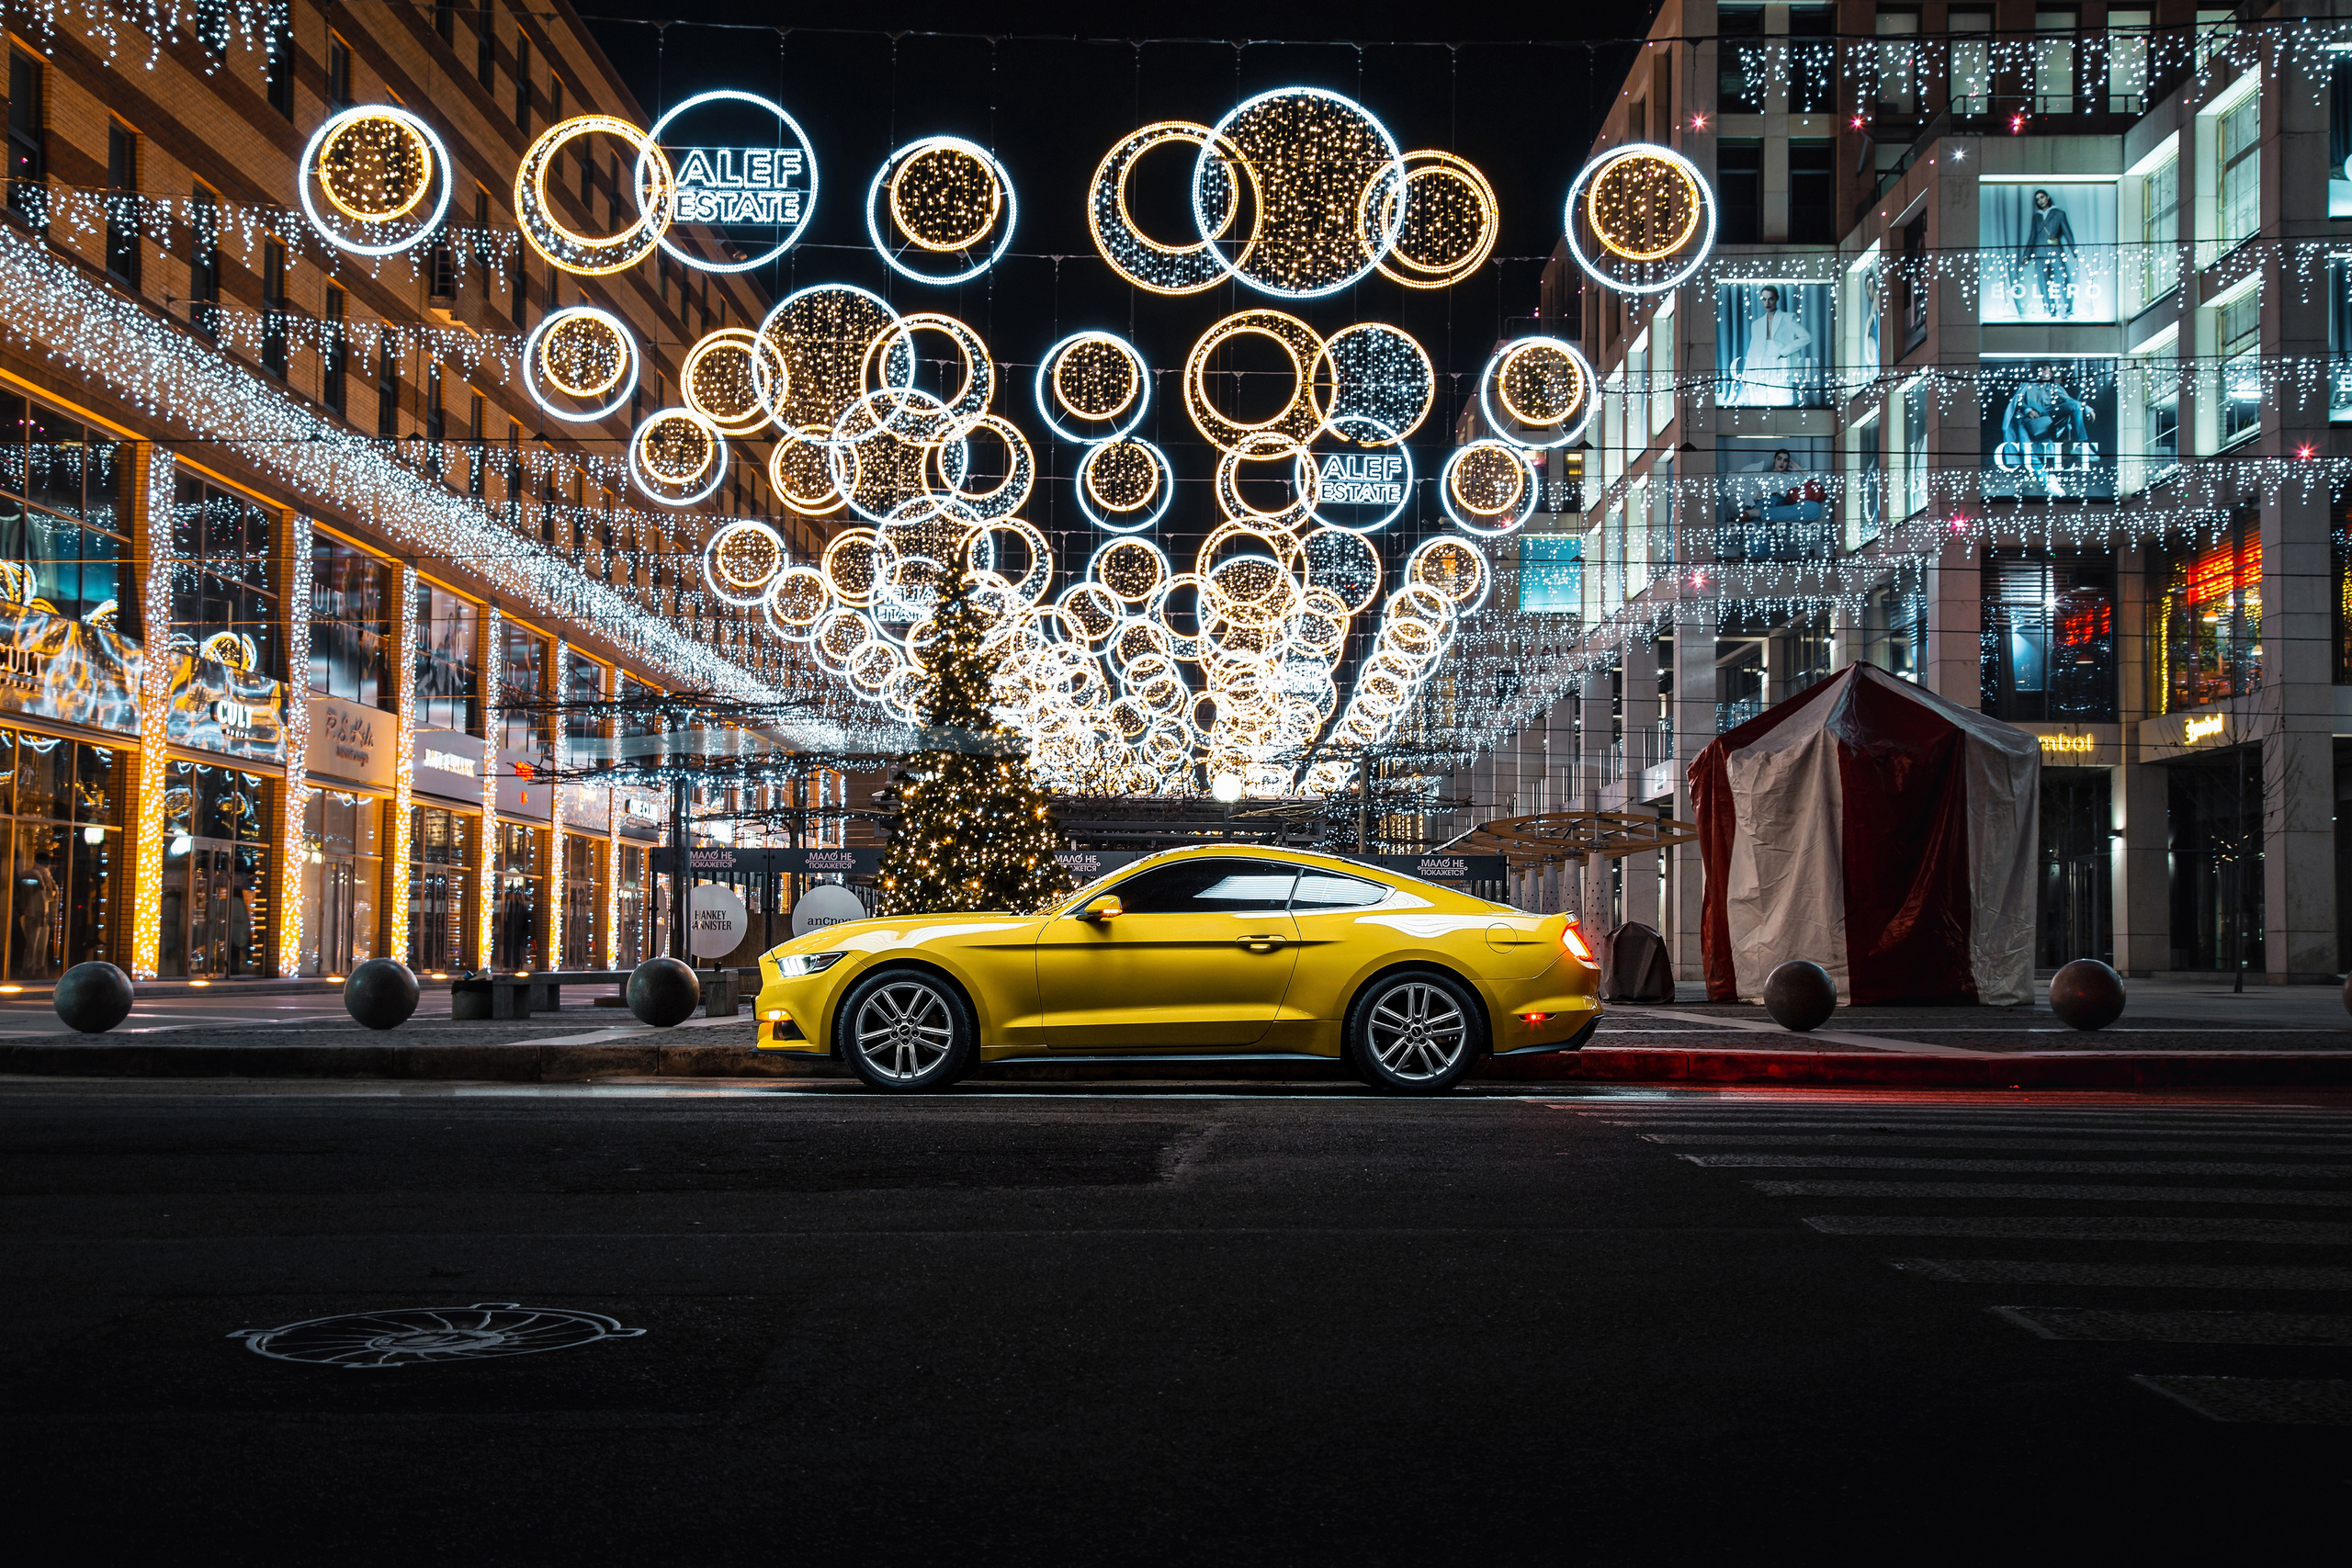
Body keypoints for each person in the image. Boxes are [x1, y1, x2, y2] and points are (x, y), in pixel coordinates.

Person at [2000, 363, 2093, 494]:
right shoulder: (2028, 384)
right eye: (2044, 369)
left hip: (2046, 416)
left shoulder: (2054, 386)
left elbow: (2070, 401)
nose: (2046, 372)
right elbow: (2018, 400)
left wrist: (2087, 408)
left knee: (2076, 406)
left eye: (2049, 371)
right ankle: (2046, 479)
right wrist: (2027, 410)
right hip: (2025, 419)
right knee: (2025, 448)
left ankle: (2081, 443)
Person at [1733, 285, 1814, 405]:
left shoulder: (1787, 318)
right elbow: (1752, 350)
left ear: (1777, 298)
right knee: (1759, 395)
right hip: (1760, 361)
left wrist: (1784, 352)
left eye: (1770, 299)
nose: (1767, 302)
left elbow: (1806, 337)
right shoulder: (1756, 324)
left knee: (1780, 394)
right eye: (1764, 299)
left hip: (1778, 360)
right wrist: (1745, 375)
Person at [2021, 187, 2077, 319]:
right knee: (2043, 282)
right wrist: (2026, 255)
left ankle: (2066, 311)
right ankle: (2048, 310)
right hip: (2039, 252)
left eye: (2042, 197)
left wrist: (2074, 250)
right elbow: (2032, 236)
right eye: (2037, 199)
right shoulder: (2036, 217)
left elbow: (2067, 232)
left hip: (2055, 251)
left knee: (2061, 280)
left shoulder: (2058, 213)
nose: (2040, 201)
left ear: (2047, 197)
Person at [13, 846, 56, 978]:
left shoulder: (46, 876)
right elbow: (28, 892)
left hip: (44, 913)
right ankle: (29, 967)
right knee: (32, 942)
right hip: (34, 912)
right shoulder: (32, 874)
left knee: (41, 942)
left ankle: (38, 967)